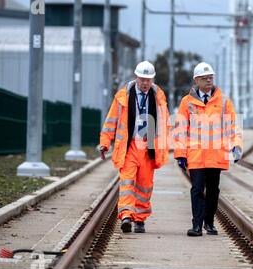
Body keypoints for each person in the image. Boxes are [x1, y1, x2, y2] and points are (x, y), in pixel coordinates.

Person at [99, 61, 170, 234]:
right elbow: (111, 121)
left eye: (148, 79)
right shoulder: (123, 97)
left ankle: (140, 219)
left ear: (152, 79)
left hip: (148, 148)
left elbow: (165, 124)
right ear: (136, 77)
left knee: (145, 186)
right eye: (142, 79)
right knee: (127, 182)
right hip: (129, 147)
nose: (145, 83)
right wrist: (105, 142)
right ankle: (126, 215)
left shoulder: (159, 98)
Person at [174, 62, 243, 237]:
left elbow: (233, 126)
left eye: (210, 77)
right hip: (196, 154)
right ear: (196, 80)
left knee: (213, 190)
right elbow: (180, 129)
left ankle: (209, 223)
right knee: (197, 189)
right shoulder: (187, 102)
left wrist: (236, 146)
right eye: (205, 78)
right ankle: (196, 225)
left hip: (215, 154)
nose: (208, 81)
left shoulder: (224, 101)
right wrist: (180, 154)